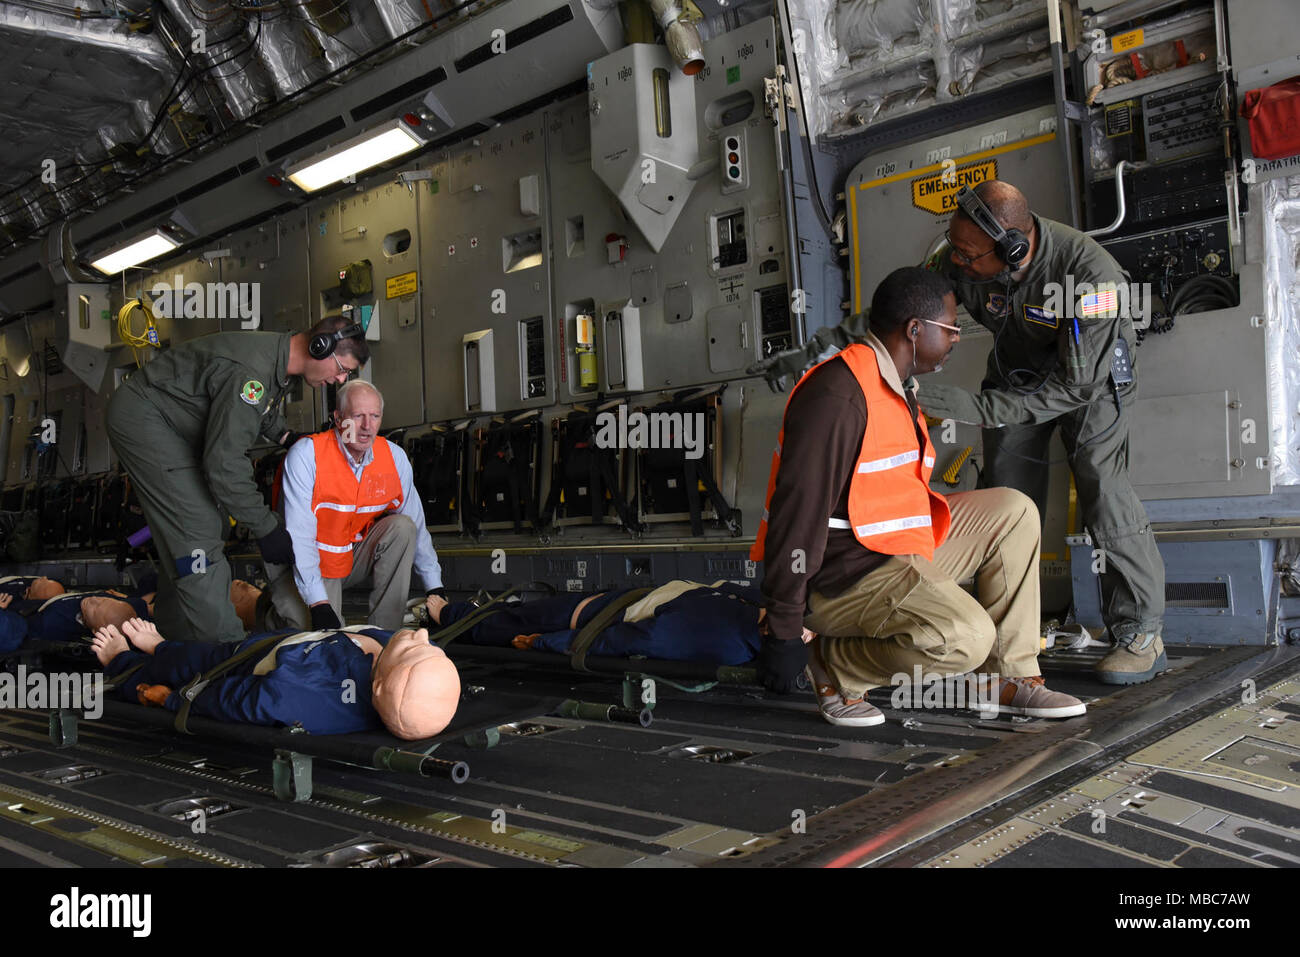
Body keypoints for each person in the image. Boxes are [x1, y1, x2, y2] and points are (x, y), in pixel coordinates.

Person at [749, 181, 1166, 685]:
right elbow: (899, 314)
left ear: (1011, 247)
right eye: (956, 250)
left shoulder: (1092, 280)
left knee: (1103, 487)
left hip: (1089, 382)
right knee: (1009, 495)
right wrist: (813, 350)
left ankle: (1141, 632)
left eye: (969, 257)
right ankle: (1009, 645)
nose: (958, 264)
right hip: (1015, 374)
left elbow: (1076, 386)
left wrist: (981, 408)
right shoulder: (960, 255)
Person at [752, 266, 1085, 726]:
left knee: (1013, 511)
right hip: (839, 576)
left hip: (890, 549)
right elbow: (798, 513)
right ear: (914, 330)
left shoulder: (893, 381)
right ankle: (835, 665)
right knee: (966, 637)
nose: (954, 340)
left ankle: (1008, 677)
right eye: (949, 330)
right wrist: (785, 628)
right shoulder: (838, 395)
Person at [105, 317, 369, 645]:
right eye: (342, 369)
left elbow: (259, 407)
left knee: (207, 524)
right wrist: (265, 526)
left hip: (170, 422)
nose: (340, 379)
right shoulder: (252, 372)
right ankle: (226, 653)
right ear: (320, 348)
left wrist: (285, 435)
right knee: (198, 525)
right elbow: (224, 465)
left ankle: (173, 636)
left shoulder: (273, 358)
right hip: (144, 419)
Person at [90, 617, 461, 740]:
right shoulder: (388, 663)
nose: (422, 635)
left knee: (195, 663)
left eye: (414, 648)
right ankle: (161, 647)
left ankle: (121, 661)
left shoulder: (302, 695)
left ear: (380, 687)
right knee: (189, 652)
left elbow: (235, 701)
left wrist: (172, 699)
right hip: (291, 642)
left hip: (244, 664)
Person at [269, 380, 445, 632]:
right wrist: (318, 603)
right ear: (338, 418)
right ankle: (271, 608)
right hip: (301, 559)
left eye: (374, 416)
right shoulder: (308, 455)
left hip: (345, 556)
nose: (366, 426)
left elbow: (416, 523)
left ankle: (385, 634)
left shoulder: (393, 458)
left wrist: (434, 589)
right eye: (358, 416)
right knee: (323, 637)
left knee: (403, 527)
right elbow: (300, 537)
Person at [423, 580, 761, 664]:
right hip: (622, 600)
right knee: (518, 615)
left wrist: (545, 641)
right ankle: (461, 613)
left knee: (510, 624)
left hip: (592, 617)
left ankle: (450, 616)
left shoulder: (726, 638)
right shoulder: (749, 604)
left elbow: (634, 640)